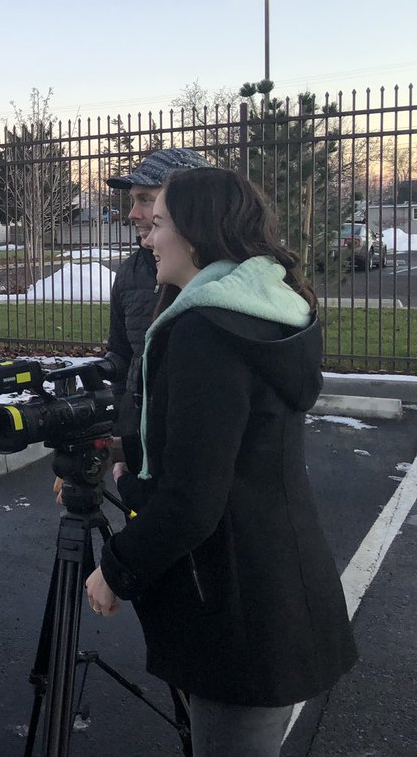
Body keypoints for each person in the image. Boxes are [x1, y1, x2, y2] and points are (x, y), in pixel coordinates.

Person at [85, 167, 357, 756]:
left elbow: (193, 501)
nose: (147, 238)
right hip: (277, 585)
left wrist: (115, 569)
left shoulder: (205, 332)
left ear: (198, 235)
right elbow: (231, 462)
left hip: (238, 610)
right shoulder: (265, 312)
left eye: (158, 223)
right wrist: (138, 479)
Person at [103, 147, 210, 470]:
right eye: (133, 200)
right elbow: (121, 358)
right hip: (142, 446)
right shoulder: (130, 273)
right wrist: (124, 441)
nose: (133, 214)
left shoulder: (224, 283)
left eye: (146, 200)